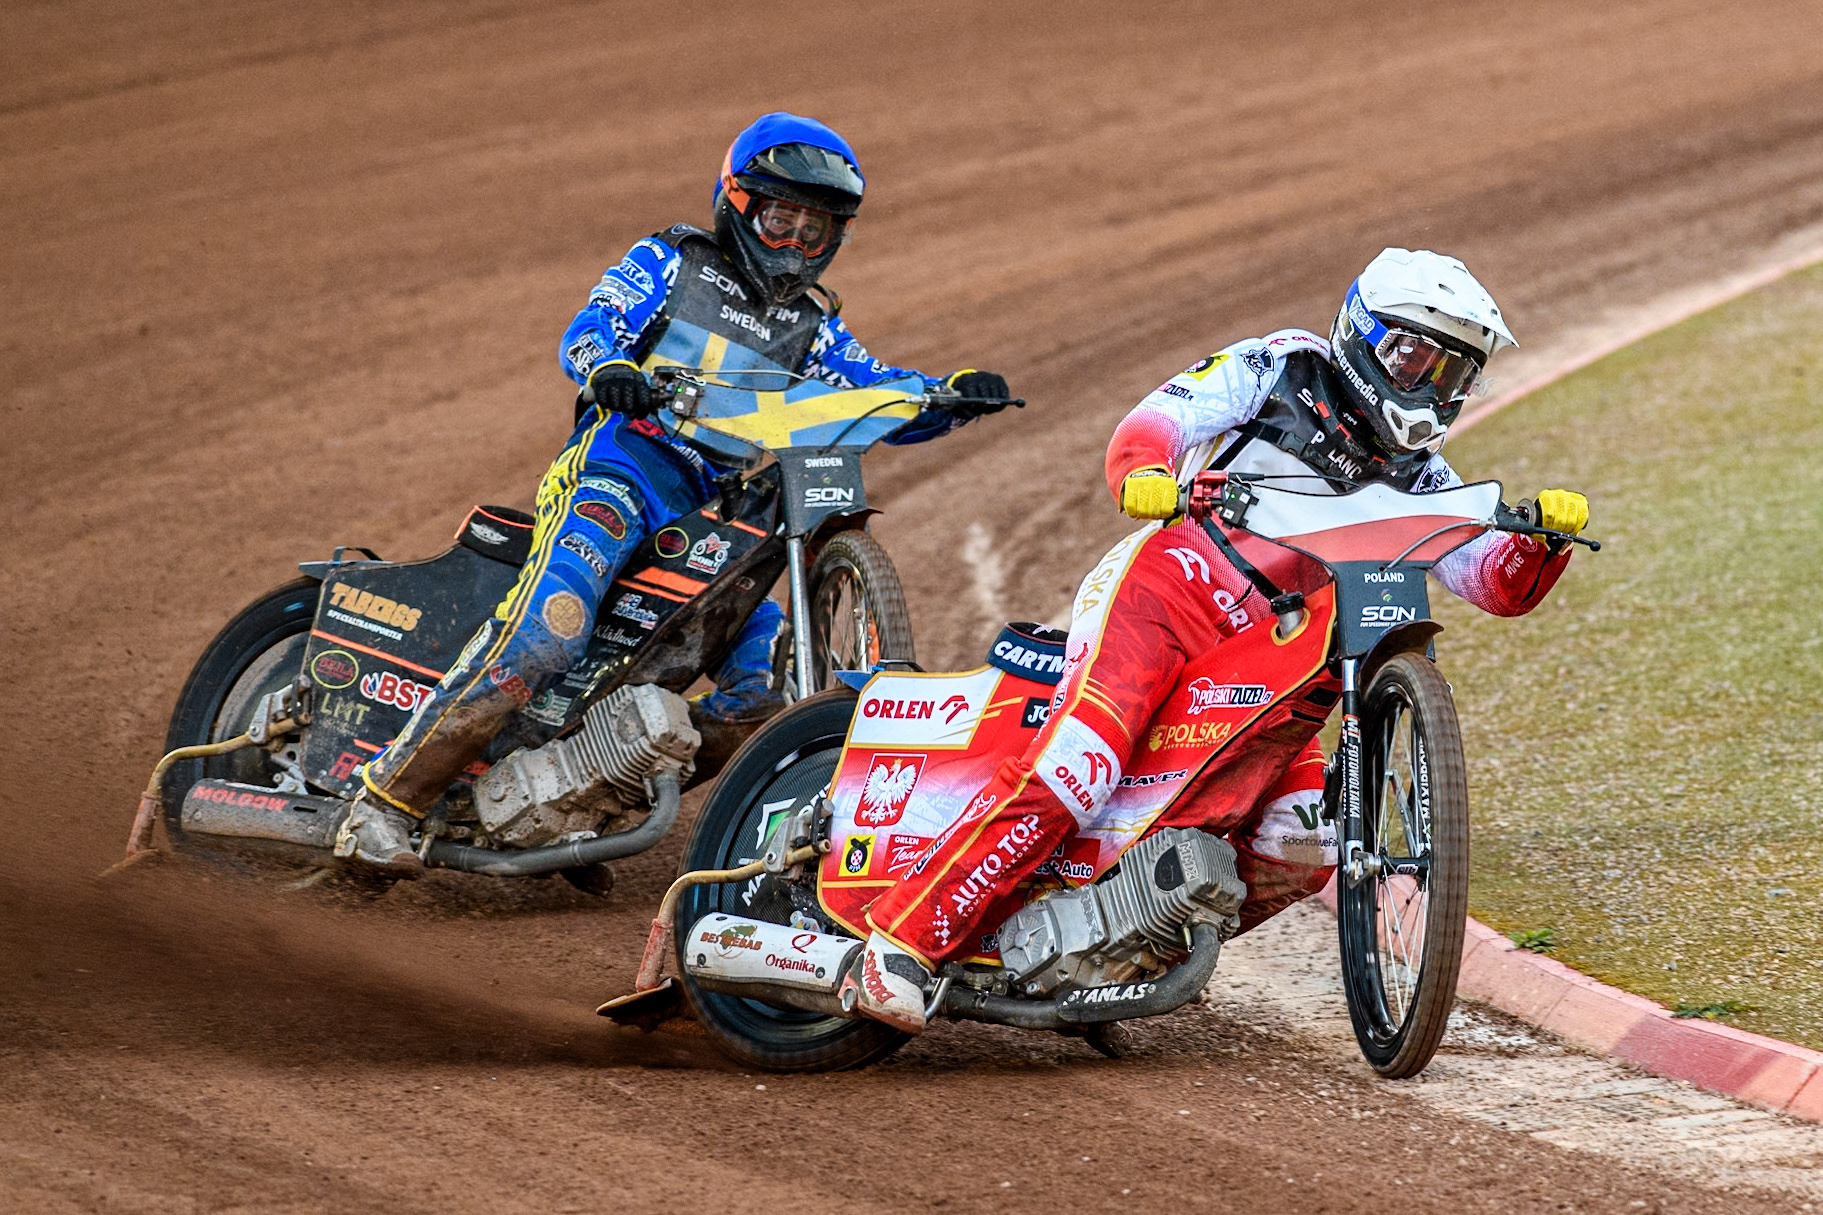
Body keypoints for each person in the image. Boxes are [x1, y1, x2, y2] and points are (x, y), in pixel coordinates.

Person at [840, 248, 1591, 1032]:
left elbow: (1490, 582)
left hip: (1283, 662)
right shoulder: (1279, 366)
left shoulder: (1423, 475)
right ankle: (899, 942)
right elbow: (1155, 422)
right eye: (1414, 356)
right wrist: (1147, 470)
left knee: (1303, 839)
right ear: (1362, 335)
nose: (1430, 386)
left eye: (1451, 372)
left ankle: (1139, 940)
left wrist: (1541, 540)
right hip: (1167, 595)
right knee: (1079, 768)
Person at [335, 112, 1013, 872]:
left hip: (708, 520)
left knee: (762, 695)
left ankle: (582, 797)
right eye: (778, 217)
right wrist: (607, 368)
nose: (792, 241)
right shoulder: (671, 261)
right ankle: (380, 802)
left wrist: (946, 395)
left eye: (813, 229)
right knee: (549, 629)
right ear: (737, 201)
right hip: (616, 474)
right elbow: (593, 326)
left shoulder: (812, 326)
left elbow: (870, 388)